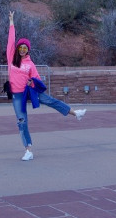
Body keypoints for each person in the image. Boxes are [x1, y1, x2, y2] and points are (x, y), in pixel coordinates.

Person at [7, 10, 86, 160]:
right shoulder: (11, 57)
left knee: (50, 101)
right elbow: (10, 40)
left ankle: (76, 113)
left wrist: (33, 82)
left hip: (29, 91)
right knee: (21, 121)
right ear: (17, 49)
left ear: (28, 50)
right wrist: (11, 22)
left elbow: (37, 79)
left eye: (25, 48)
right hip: (17, 95)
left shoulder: (30, 63)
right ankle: (28, 150)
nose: (22, 50)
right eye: (20, 47)